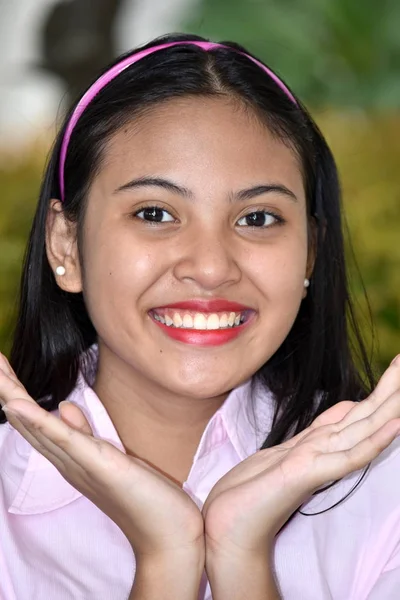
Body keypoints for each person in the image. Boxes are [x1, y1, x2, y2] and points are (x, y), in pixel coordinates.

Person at [0, 33, 399, 600]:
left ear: (309, 251)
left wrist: (242, 557)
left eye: (258, 218)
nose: (211, 268)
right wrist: (166, 561)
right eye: (156, 212)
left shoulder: (387, 497)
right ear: (65, 245)